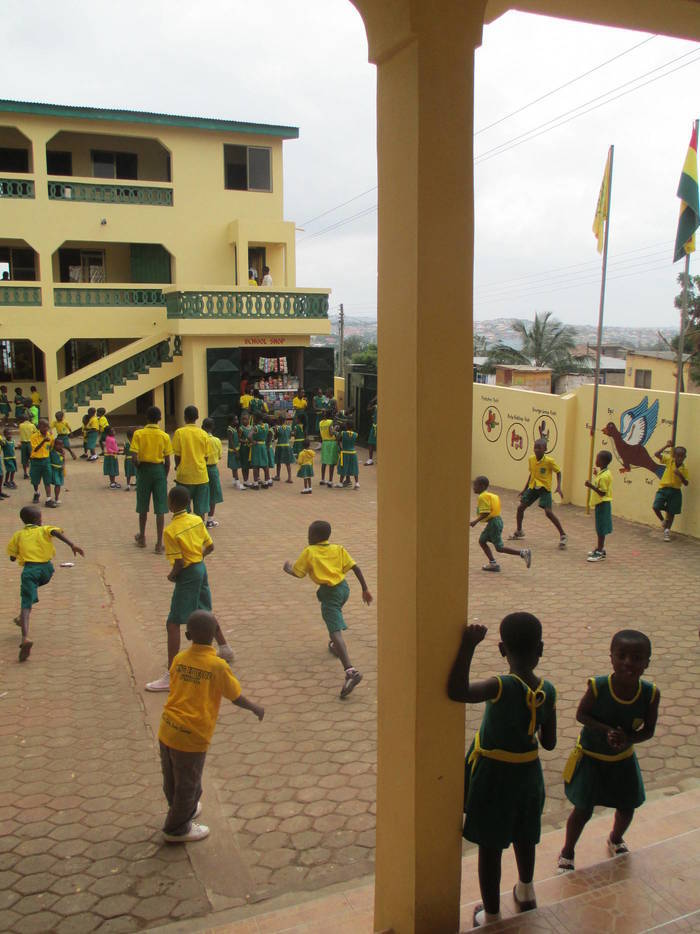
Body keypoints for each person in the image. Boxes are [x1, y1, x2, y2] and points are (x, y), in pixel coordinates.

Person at [447, 614, 557, 927]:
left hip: (494, 779)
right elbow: (548, 743)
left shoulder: (500, 685)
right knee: (525, 837)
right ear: (541, 649)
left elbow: (457, 691)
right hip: (528, 778)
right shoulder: (548, 690)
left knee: (490, 847)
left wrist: (467, 646)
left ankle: (491, 915)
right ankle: (525, 891)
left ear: (501, 649)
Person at [157, 610, 264, 843]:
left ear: (187, 635)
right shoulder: (217, 666)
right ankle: (177, 829)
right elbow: (235, 696)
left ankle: (180, 809)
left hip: (167, 728)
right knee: (190, 785)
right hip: (192, 735)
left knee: (171, 779)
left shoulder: (179, 659)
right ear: (215, 635)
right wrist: (255, 707)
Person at [558, 629, 659, 872]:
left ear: (647, 662)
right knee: (583, 809)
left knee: (627, 806)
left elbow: (649, 730)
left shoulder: (650, 694)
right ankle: (567, 850)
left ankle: (615, 838)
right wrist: (606, 731)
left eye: (637, 658)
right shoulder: (598, 687)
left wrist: (629, 739)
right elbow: (581, 714)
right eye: (622, 655)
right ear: (611, 657)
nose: (628, 662)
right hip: (591, 758)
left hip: (623, 759)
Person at [145, 486, 234, 692]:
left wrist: (171, 576)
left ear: (171, 504)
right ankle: (225, 648)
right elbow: (210, 546)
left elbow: (178, 563)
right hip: (201, 569)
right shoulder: (196, 520)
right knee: (204, 611)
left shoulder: (171, 530)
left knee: (173, 622)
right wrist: (198, 559)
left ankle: (171, 674)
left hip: (187, 574)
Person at [283, 520, 372, 698]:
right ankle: (334, 645)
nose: (308, 537)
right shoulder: (338, 548)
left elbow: (299, 573)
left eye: (309, 534)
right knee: (334, 617)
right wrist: (365, 589)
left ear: (315, 537)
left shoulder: (310, 552)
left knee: (335, 629)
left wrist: (288, 569)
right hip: (343, 589)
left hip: (330, 594)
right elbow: (355, 567)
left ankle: (350, 671)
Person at [7, 505, 84, 661]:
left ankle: (25, 637)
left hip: (30, 571)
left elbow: (12, 557)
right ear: (38, 520)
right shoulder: (45, 529)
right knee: (31, 591)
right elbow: (55, 532)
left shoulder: (18, 535)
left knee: (26, 603)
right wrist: (72, 544)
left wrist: (17, 555)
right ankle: (21, 617)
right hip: (47, 571)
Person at [510, 438, 567, 548]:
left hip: (544, 489)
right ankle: (519, 531)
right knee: (520, 508)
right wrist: (524, 489)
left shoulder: (549, 461)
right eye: (535, 447)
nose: (536, 450)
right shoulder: (531, 459)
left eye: (539, 448)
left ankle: (563, 535)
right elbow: (531, 474)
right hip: (533, 488)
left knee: (548, 512)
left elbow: (558, 472)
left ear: (545, 449)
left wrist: (559, 486)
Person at [130, 405, 173, 554]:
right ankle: (159, 543)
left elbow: (133, 457)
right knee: (160, 507)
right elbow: (168, 462)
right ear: (160, 419)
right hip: (159, 470)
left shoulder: (139, 434)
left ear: (147, 418)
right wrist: (163, 475)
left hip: (144, 470)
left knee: (143, 505)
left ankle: (142, 537)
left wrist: (139, 467)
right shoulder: (164, 436)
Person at [471, 476, 531, 571]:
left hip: (493, 523)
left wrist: (475, 521)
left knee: (499, 547)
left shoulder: (482, 496)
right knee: (482, 541)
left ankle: (523, 553)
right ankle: (493, 563)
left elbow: (486, 512)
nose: (473, 487)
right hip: (496, 521)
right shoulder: (489, 495)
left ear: (482, 486)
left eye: (475, 485)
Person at [172, 406, 210, 520]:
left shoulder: (179, 433)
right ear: (197, 417)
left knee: (183, 511)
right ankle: (200, 532)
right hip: (201, 476)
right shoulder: (203, 434)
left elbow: (177, 456)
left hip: (184, 477)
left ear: (184, 417)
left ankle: (186, 532)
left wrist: (177, 467)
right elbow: (206, 457)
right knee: (201, 511)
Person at [652, 441, 689, 542]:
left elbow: (686, 483)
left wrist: (680, 475)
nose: (680, 458)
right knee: (656, 506)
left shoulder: (684, 469)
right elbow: (656, 454)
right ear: (674, 456)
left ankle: (667, 531)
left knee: (671, 512)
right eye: (678, 456)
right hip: (664, 489)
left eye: (682, 456)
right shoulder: (670, 461)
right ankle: (663, 521)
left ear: (685, 457)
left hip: (675, 491)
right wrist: (666, 446)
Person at [584, 450, 613, 561]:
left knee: (601, 528)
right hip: (600, 504)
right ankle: (599, 548)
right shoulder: (603, 473)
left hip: (602, 504)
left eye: (598, 459)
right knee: (599, 527)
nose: (596, 460)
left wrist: (590, 485)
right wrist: (596, 476)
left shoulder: (605, 476)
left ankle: (600, 552)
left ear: (603, 461)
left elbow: (602, 492)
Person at [202, 418, 224, 528]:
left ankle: (199, 519)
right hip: (213, 468)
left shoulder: (200, 439)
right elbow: (219, 456)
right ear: (213, 427)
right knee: (213, 494)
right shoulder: (217, 440)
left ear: (202, 427)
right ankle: (210, 520)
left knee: (201, 494)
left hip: (201, 468)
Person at [29, 419, 55, 507]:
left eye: (48, 426)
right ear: (39, 427)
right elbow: (35, 449)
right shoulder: (34, 436)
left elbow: (51, 448)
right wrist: (43, 441)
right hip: (36, 461)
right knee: (35, 480)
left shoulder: (50, 436)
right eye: (44, 426)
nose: (46, 428)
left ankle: (48, 499)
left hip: (46, 460)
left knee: (47, 480)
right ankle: (36, 492)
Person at [250, 414, 272, 489]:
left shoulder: (255, 427)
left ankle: (256, 484)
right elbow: (270, 434)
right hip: (263, 446)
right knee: (265, 465)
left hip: (257, 447)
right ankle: (266, 483)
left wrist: (253, 442)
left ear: (256, 418)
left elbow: (249, 436)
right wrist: (268, 443)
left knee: (255, 465)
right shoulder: (266, 425)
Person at [319, 412, 340, 487]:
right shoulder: (330, 422)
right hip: (331, 443)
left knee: (324, 462)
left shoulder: (320, 422)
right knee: (332, 462)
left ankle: (322, 479)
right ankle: (330, 481)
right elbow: (331, 433)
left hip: (324, 442)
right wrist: (336, 428)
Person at [226, 415, 246, 491]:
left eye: (237, 419)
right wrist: (236, 451)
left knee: (235, 466)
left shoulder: (234, 429)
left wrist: (245, 441)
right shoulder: (229, 430)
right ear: (231, 421)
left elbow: (237, 439)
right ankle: (237, 482)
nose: (237, 421)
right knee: (235, 467)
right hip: (233, 451)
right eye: (235, 420)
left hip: (236, 449)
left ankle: (234, 479)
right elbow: (231, 442)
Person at [273, 415, 294, 483]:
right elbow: (290, 437)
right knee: (287, 463)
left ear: (279, 421)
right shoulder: (289, 427)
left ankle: (278, 476)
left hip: (279, 446)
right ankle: (290, 477)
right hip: (287, 446)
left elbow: (275, 437)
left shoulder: (277, 428)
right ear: (285, 420)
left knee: (278, 462)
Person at [49, 437, 65, 506]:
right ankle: (55, 498)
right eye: (57, 444)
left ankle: (56, 497)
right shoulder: (51, 452)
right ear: (54, 445)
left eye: (61, 445)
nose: (59, 446)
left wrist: (63, 466)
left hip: (60, 470)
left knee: (59, 484)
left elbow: (63, 460)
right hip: (54, 469)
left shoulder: (62, 452)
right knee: (57, 483)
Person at [238, 412, 252, 486]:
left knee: (248, 464)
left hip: (250, 448)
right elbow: (239, 439)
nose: (244, 421)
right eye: (243, 419)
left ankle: (247, 479)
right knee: (244, 464)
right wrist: (245, 441)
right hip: (244, 448)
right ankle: (245, 480)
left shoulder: (251, 428)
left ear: (249, 419)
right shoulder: (241, 428)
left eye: (246, 419)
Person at [18, 413, 34, 480]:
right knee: (32, 458)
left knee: (24, 459)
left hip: (23, 444)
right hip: (30, 443)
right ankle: (32, 473)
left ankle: (25, 473)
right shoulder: (32, 425)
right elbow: (36, 432)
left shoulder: (20, 425)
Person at [365, 398, 377, 465]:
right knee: (370, 442)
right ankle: (370, 459)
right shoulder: (375, 407)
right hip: (374, 426)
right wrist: (372, 400)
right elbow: (368, 409)